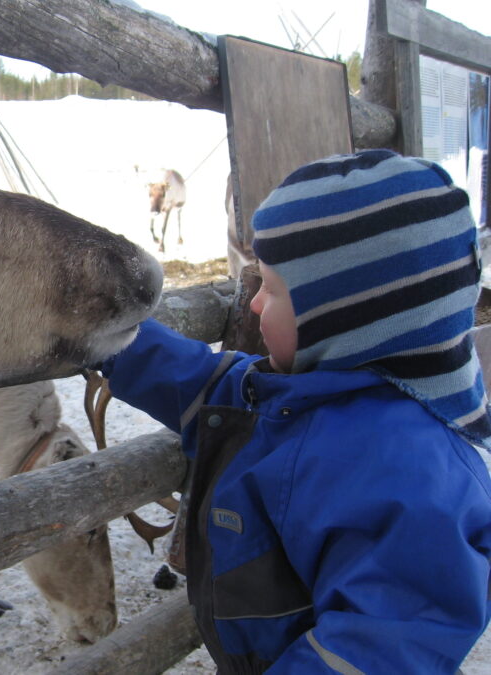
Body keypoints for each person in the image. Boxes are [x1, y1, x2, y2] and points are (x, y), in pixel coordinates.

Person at [100, 149, 491, 673]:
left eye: (273, 289)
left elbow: (381, 649)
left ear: (349, 321)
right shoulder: (295, 393)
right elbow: (200, 381)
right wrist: (110, 334)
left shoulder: (413, 473)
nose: (254, 302)